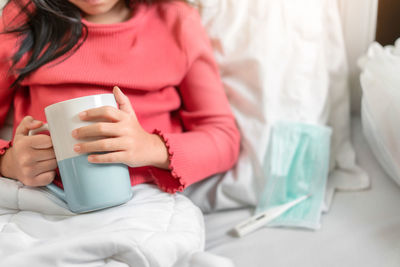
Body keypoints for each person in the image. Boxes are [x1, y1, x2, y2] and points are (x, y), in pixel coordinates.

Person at [0, 0, 240, 194]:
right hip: (44, 197)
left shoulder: (176, 21)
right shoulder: (23, 18)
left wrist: (151, 147)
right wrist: (8, 162)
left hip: (148, 197)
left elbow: (224, 139)